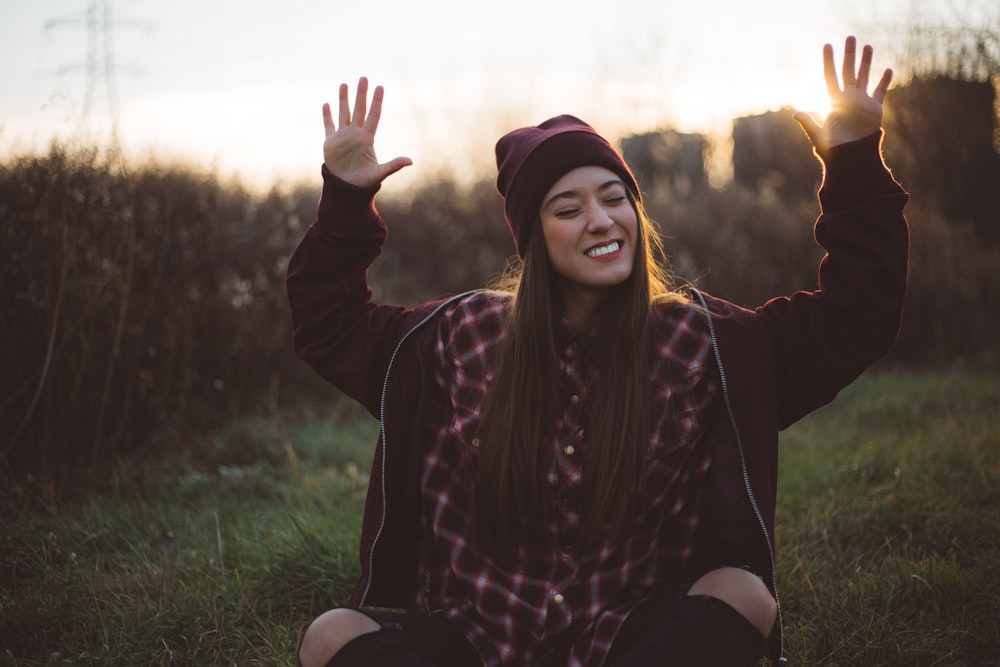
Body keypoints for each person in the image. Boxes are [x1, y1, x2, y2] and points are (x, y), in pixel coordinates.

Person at [287, 36, 909, 667]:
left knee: (744, 594)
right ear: (535, 237)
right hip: (478, 640)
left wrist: (854, 159)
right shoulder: (465, 337)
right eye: (569, 208)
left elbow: (855, 318)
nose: (601, 220)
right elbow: (329, 327)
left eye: (616, 199)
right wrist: (344, 199)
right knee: (329, 635)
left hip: (626, 641)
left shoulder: (699, 344)